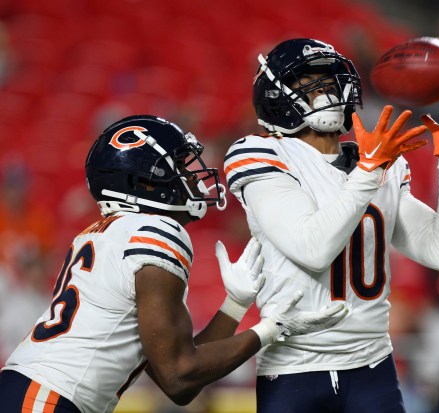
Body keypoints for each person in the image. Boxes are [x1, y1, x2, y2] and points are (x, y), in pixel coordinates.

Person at [0, 114, 348, 413]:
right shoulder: (156, 230)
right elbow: (178, 377)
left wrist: (235, 305)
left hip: (31, 391)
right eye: (182, 166)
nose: (195, 176)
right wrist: (271, 330)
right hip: (45, 400)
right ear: (146, 182)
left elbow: (178, 370)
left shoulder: (110, 232)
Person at [223, 38, 439, 412]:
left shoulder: (383, 161)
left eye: (329, 81)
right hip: (295, 369)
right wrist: (368, 172)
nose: (326, 91)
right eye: (309, 83)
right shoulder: (261, 153)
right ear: (276, 97)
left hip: (372, 366)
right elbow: (312, 249)